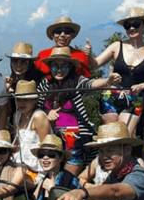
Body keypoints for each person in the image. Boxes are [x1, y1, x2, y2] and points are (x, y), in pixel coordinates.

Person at [37, 46, 121, 175]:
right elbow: (37, 106)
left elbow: (91, 84)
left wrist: (107, 80)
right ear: (50, 67)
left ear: (70, 67)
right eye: (55, 66)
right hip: (55, 139)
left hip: (77, 138)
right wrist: (48, 113)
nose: (59, 70)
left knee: (66, 178)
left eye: (63, 66)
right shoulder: (44, 84)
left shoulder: (77, 81)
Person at [94, 7, 144, 135]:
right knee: (111, 135)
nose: (131, 28)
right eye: (127, 25)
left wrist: (143, 85)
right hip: (110, 96)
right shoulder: (116, 46)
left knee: (125, 134)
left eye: (136, 24)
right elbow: (95, 64)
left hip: (135, 98)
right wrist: (86, 55)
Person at [11, 80, 51, 182]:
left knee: (13, 179)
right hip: (17, 164)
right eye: (19, 99)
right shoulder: (17, 115)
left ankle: (1, 194)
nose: (22, 103)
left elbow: (47, 148)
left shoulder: (39, 117)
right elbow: (17, 144)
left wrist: (44, 175)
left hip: (34, 170)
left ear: (34, 101)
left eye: (27, 100)